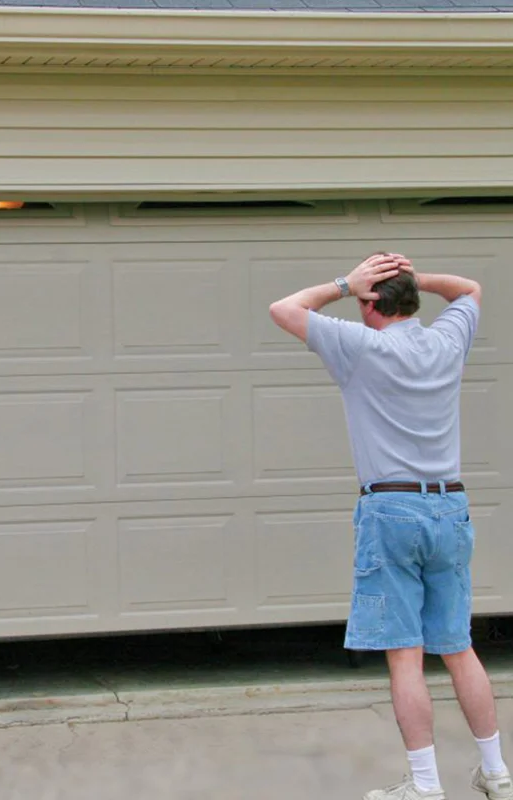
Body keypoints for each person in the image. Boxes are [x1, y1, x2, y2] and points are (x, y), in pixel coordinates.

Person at [269, 253, 512, 800]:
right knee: (458, 647)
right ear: (412, 299)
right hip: (449, 507)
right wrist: (410, 278)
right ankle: (497, 773)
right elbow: (470, 288)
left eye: (362, 299)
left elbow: (283, 308)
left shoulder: (360, 347)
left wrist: (344, 282)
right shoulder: (447, 341)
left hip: (391, 511)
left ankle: (425, 786)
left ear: (369, 303)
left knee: (405, 653)